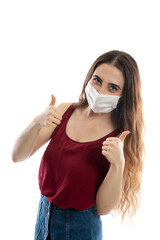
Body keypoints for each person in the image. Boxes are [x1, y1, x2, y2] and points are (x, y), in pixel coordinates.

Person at [12, 50, 144, 240]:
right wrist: (36, 123)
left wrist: (118, 164)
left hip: (80, 228)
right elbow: (17, 156)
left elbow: (103, 208)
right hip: (44, 217)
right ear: (89, 78)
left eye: (113, 88)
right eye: (97, 80)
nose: (100, 91)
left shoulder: (120, 137)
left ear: (124, 95)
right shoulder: (64, 111)